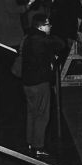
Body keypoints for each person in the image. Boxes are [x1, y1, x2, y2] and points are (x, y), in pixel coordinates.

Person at [21, 14, 65, 157]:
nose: (50, 26)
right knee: (42, 115)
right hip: (40, 82)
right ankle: (38, 146)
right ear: (40, 27)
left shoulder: (27, 38)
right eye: (47, 24)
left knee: (32, 113)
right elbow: (61, 44)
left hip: (27, 82)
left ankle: (30, 141)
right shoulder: (42, 40)